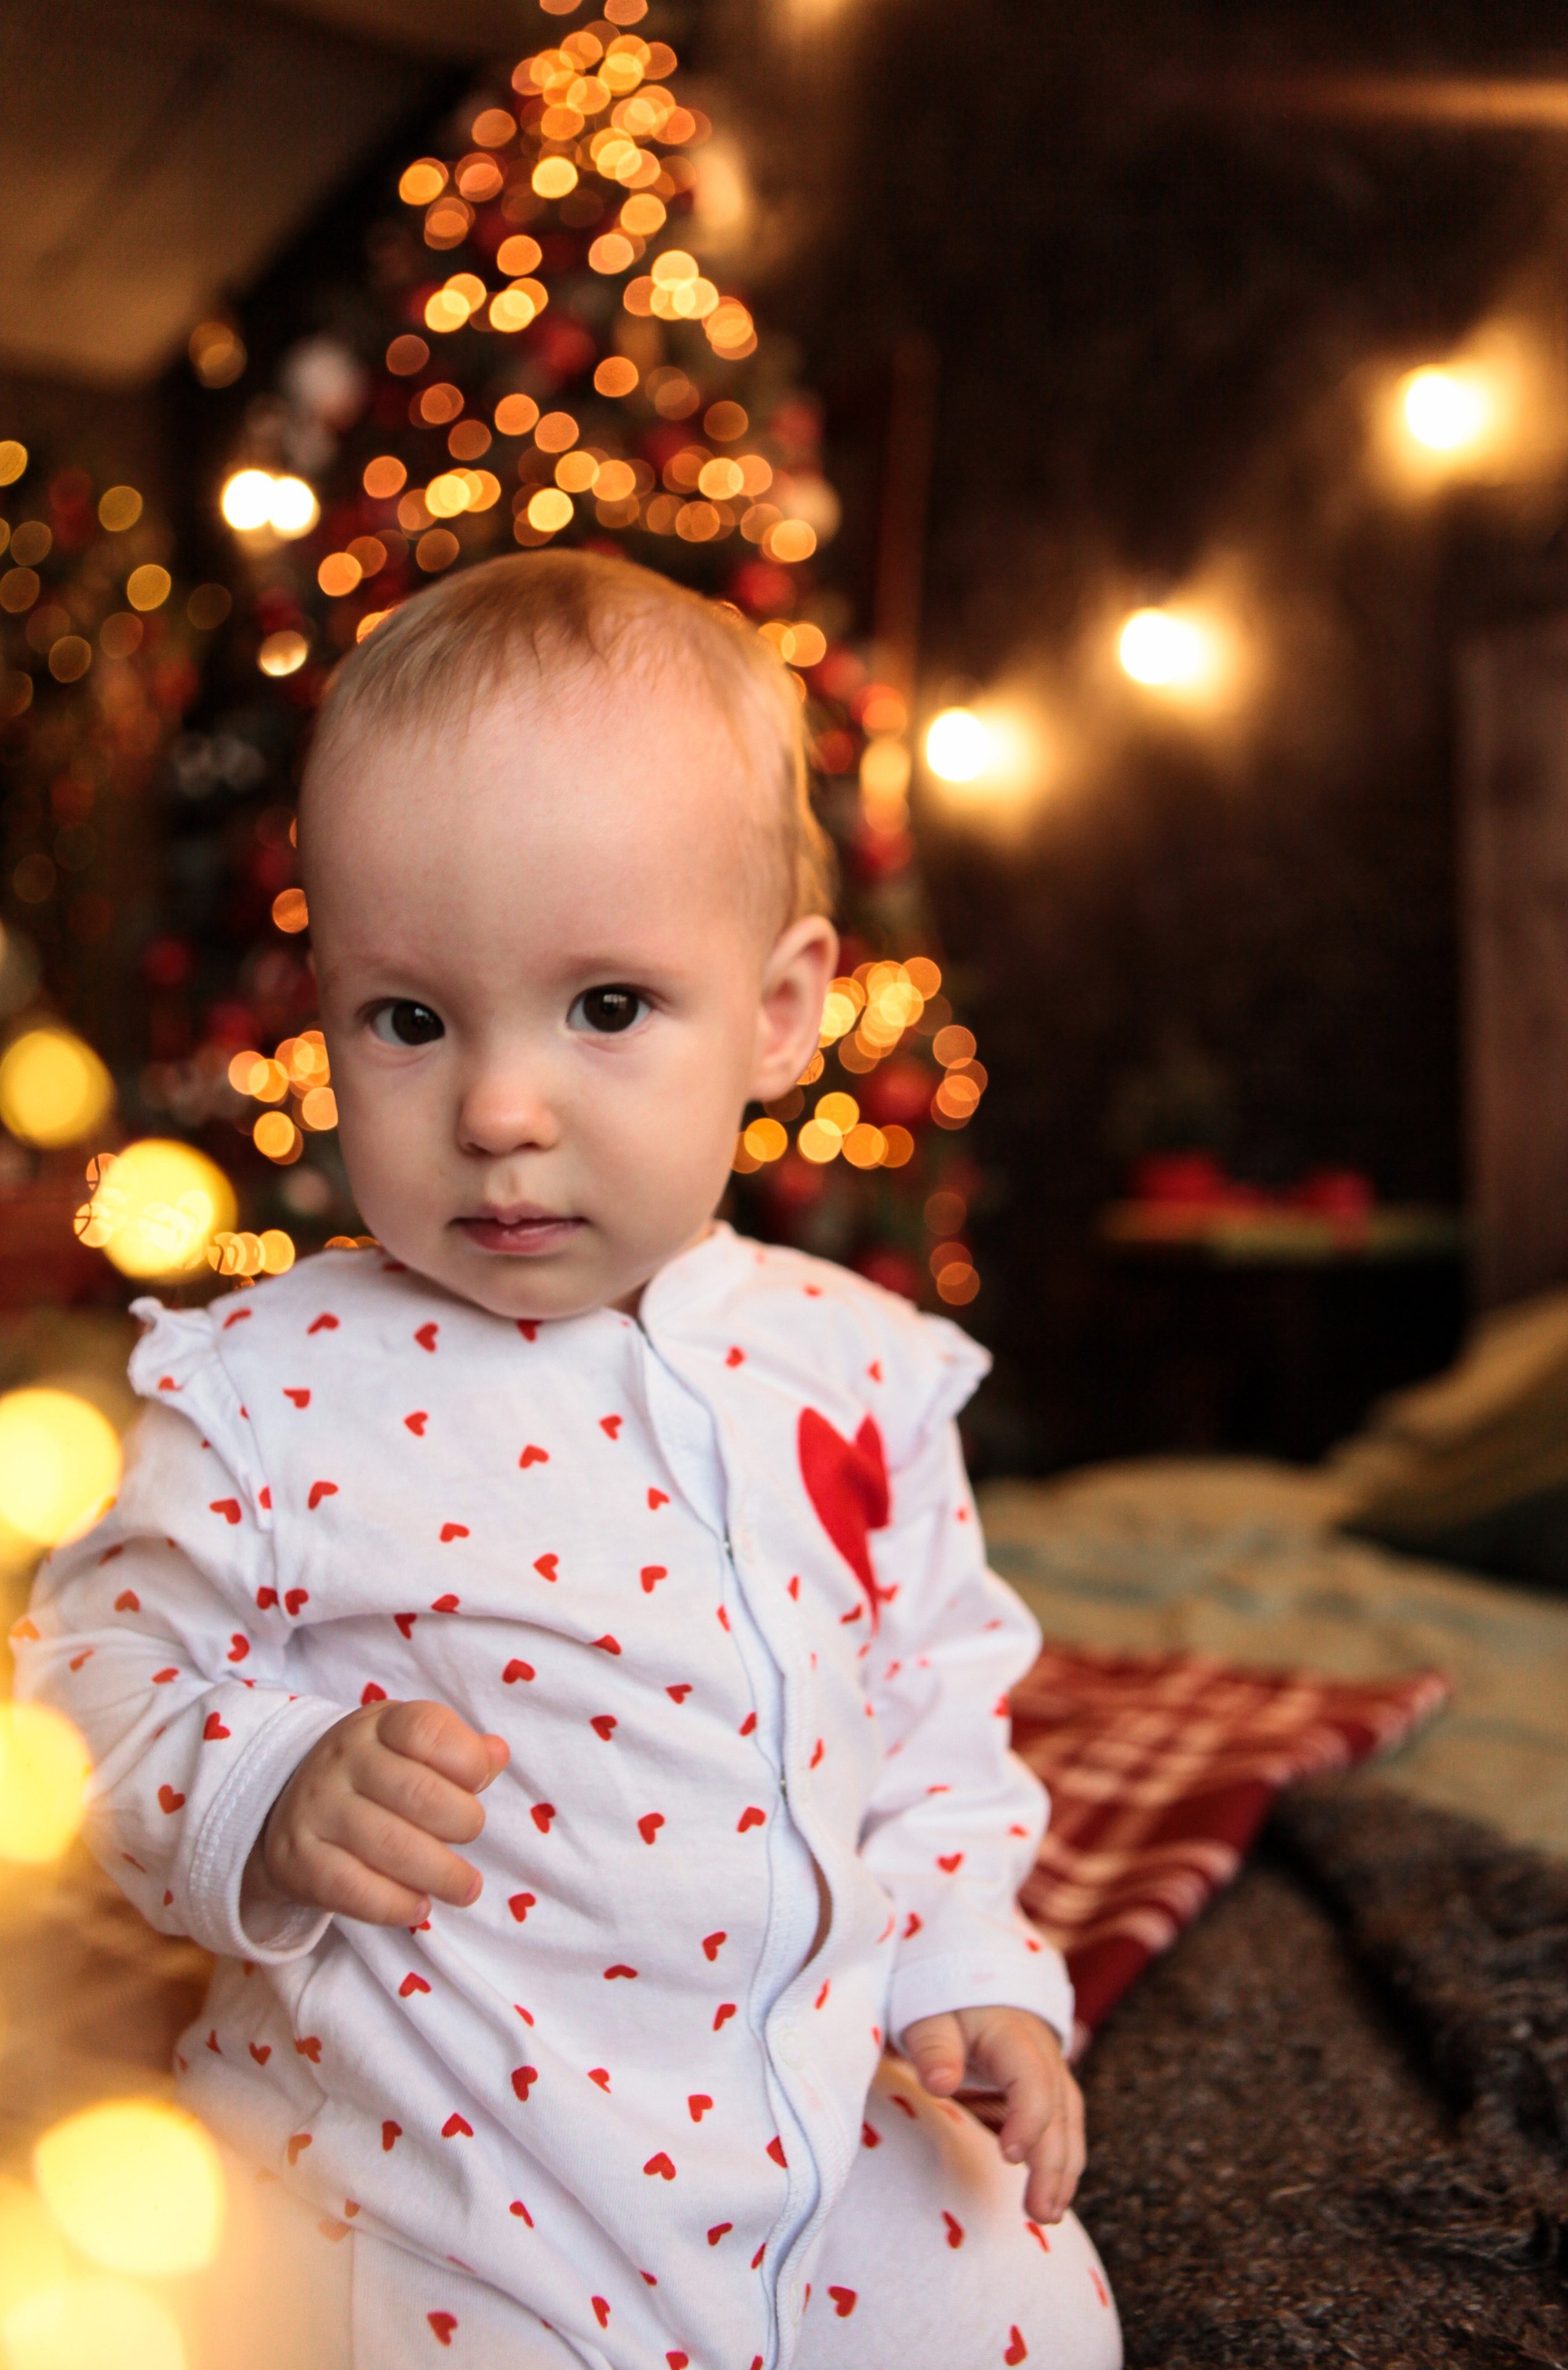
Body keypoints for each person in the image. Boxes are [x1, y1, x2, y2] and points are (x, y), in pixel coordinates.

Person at [17, 553, 1122, 2370]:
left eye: (605, 1008)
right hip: (430, 2164)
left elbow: (930, 1720)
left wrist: (972, 1975)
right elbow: (82, 1681)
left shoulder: (855, 1366)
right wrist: (266, 1786)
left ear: (779, 1014)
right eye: (411, 1019)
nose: (499, 1109)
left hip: (808, 2121)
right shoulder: (273, 1386)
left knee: (1020, 2290)